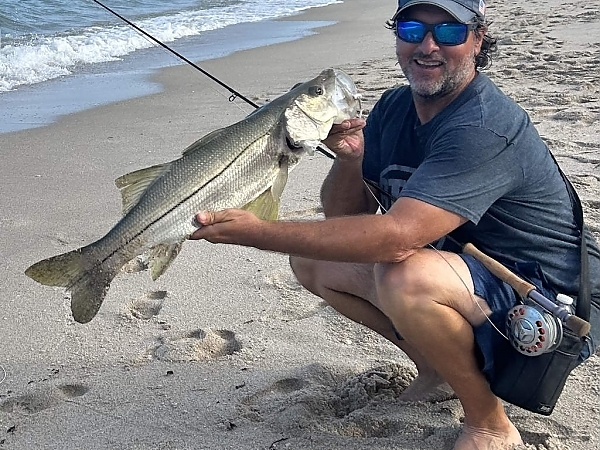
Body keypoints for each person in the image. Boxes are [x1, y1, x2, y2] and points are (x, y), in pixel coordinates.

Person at [190, 0, 600, 448]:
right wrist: (351, 160)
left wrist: (256, 232)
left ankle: (488, 423)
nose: (427, 46)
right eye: (411, 29)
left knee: (404, 273)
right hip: (468, 278)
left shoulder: (483, 126)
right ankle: (436, 369)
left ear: (478, 40)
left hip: (549, 303)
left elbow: (396, 239)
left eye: (448, 33)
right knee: (312, 257)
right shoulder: (394, 107)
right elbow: (346, 220)